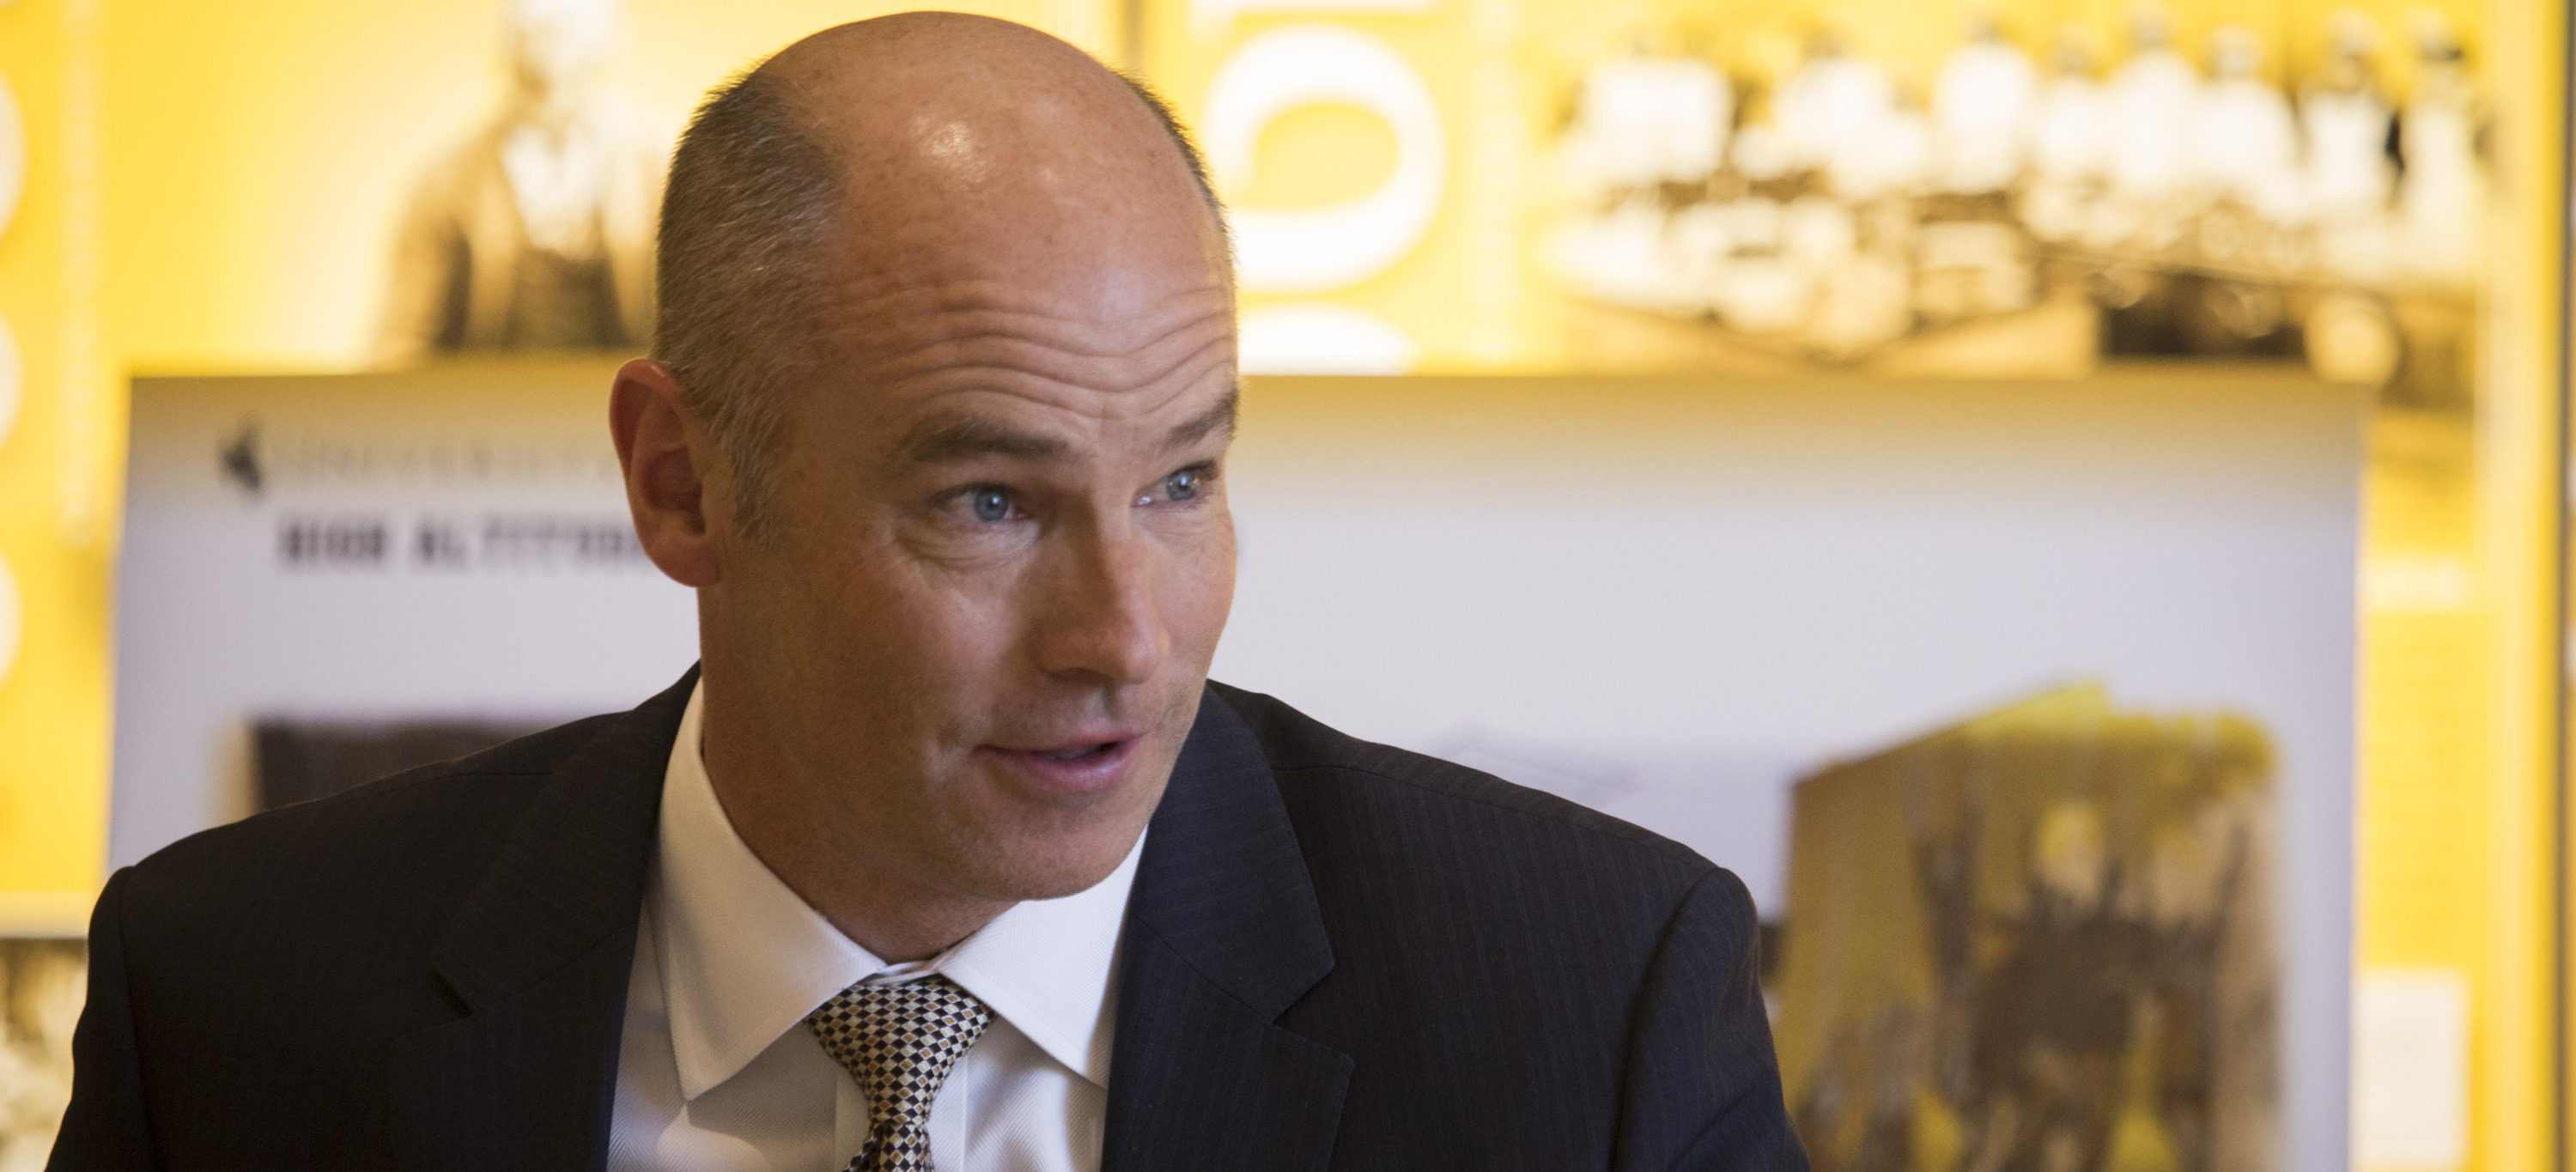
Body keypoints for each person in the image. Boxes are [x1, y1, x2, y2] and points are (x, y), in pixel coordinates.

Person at [49, 15, 1803, 1170]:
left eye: (1182, 481)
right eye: (990, 502)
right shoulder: (235, 1004)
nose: (1127, 638)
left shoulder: (1592, 1014)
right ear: (681, 483)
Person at [373, 0, 658, 364]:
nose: (547, 60)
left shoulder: (657, 172)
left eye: (565, 39)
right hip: (485, 396)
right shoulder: (448, 183)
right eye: (532, 40)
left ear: (602, 54)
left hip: (620, 393)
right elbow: (405, 339)